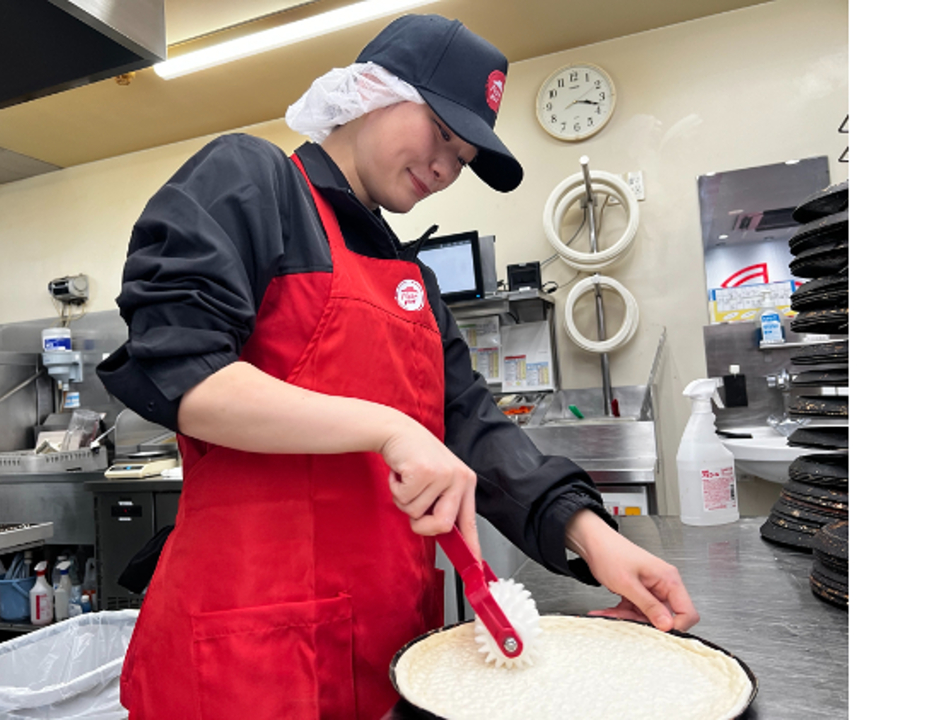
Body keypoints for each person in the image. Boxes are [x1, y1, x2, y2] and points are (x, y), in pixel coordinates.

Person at [97, 14, 698, 720]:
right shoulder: (253, 182)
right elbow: (186, 375)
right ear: (372, 92)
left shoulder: (410, 279)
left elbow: (470, 424)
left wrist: (593, 538)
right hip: (248, 652)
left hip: (388, 652)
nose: (446, 168)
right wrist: (389, 428)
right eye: (442, 133)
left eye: (464, 157)